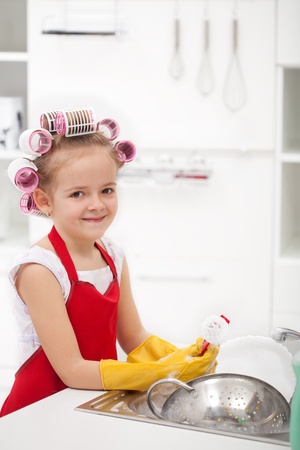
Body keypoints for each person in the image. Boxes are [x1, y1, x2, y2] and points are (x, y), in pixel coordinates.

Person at [0, 107, 222, 417]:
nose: (96, 204)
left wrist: (183, 357)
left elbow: (133, 338)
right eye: (78, 194)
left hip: (91, 404)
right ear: (44, 201)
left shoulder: (112, 255)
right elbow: (72, 370)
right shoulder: (40, 270)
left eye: (107, 190)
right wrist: (159, 374)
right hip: (38, 411)